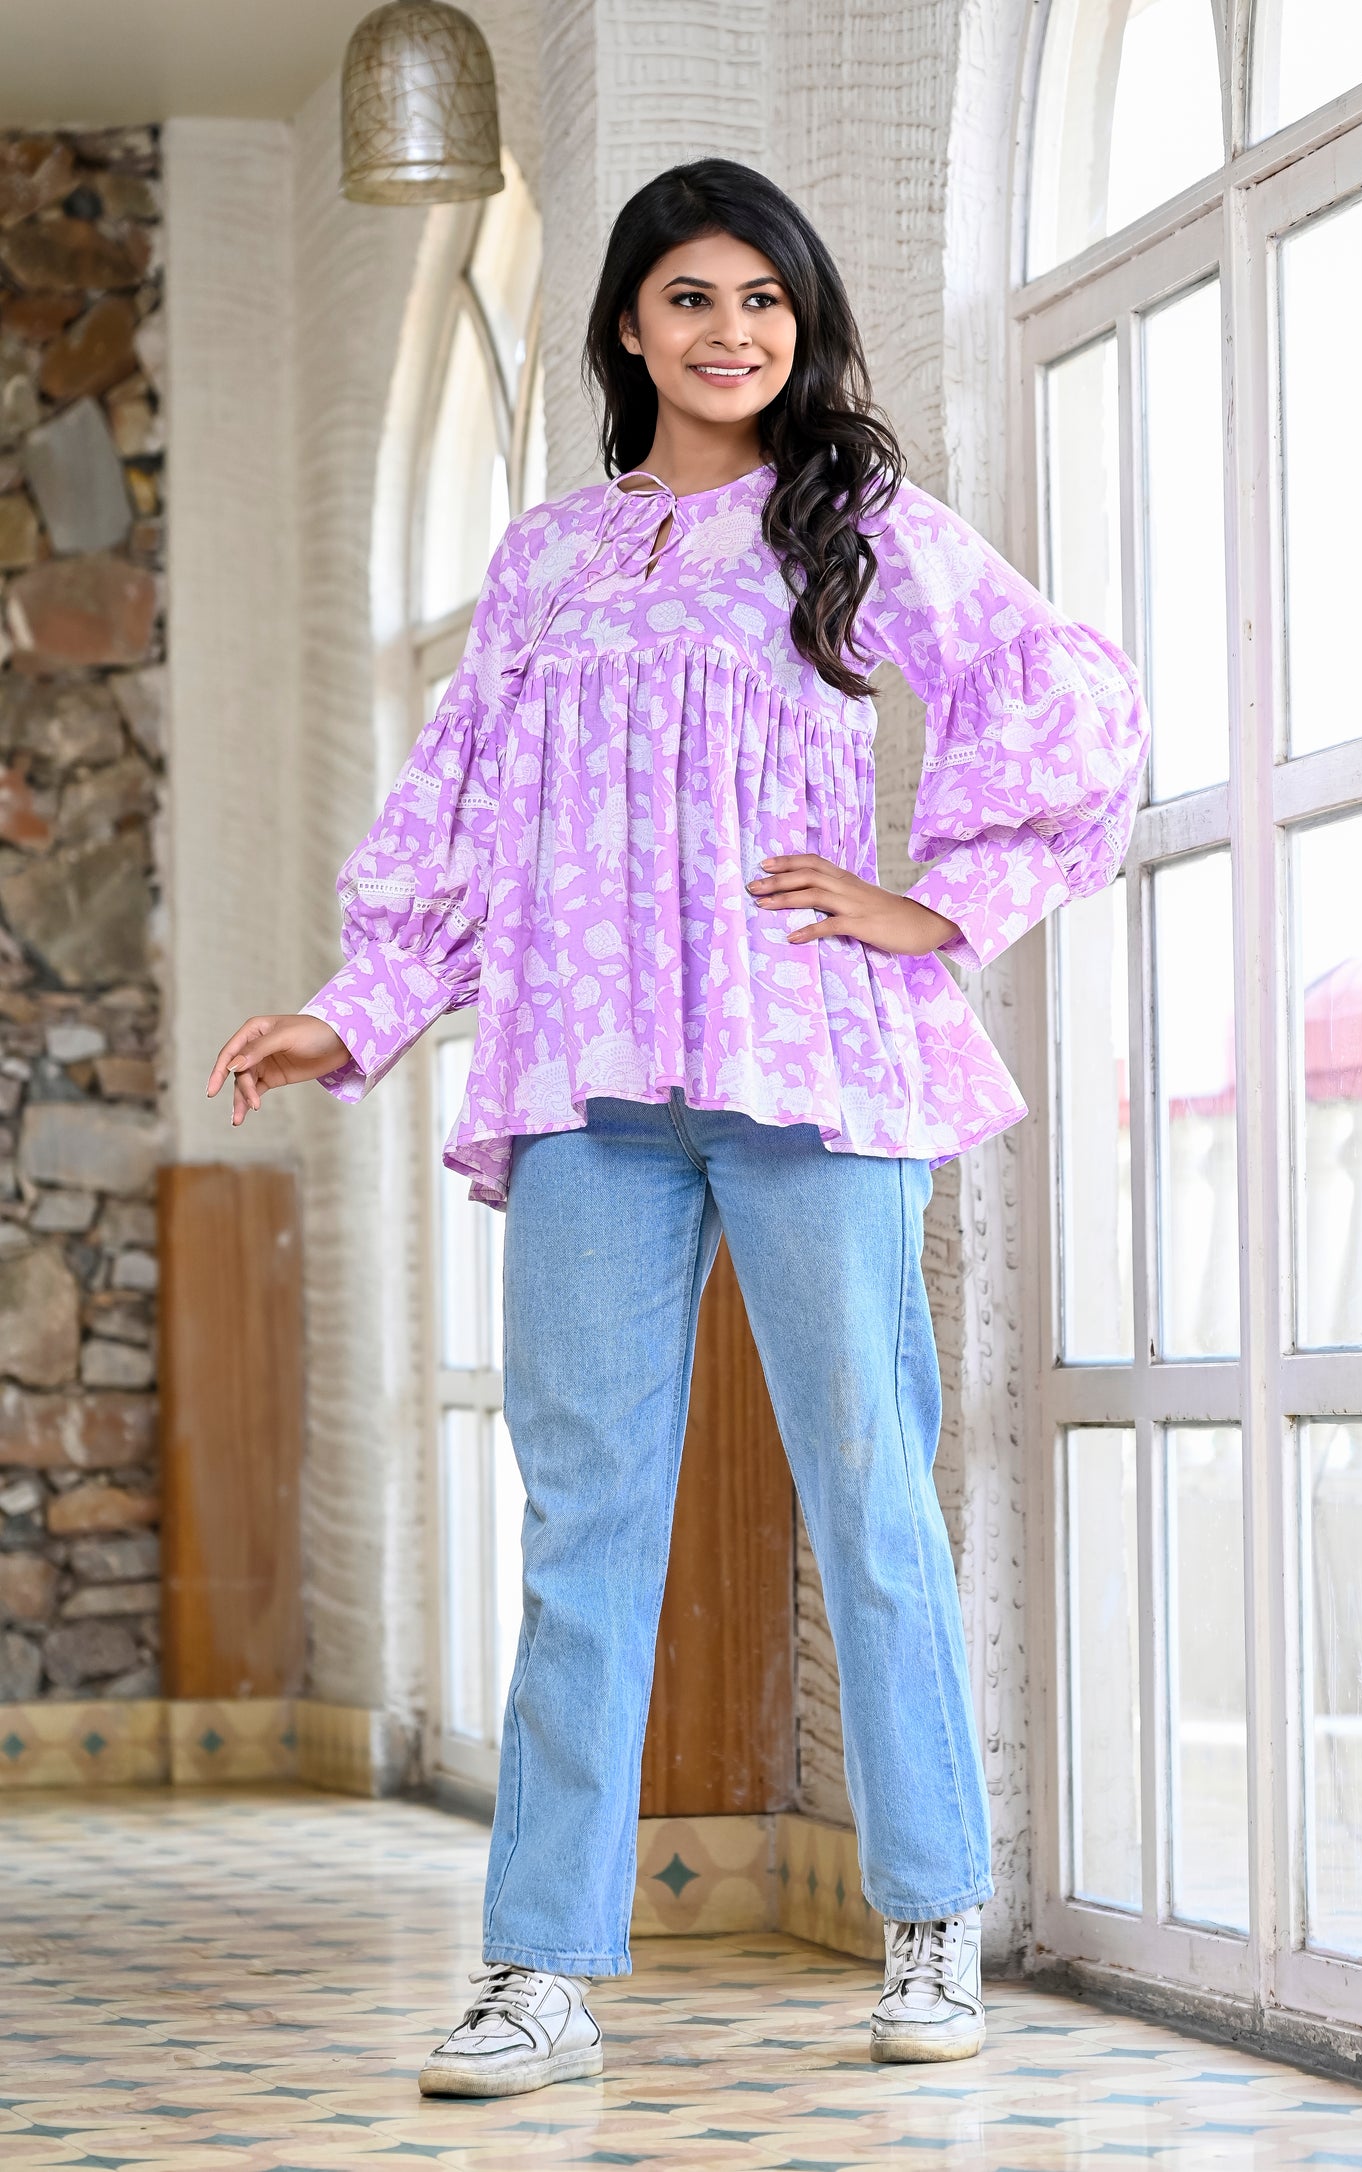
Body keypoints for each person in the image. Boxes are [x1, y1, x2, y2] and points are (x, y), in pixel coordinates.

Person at [207, 157, 1148, 2101]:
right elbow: (461, 811)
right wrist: (354, 1007)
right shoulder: (548, 558)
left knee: (867, 1490)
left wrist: (933, 904)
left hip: (811, 1066)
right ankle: (538, 1971)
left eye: (764, 300)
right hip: (587, 1084)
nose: (733, 332)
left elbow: (1058, 695)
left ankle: (928, 1919)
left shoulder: (853, 520)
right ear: (629, 326)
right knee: (582, 1527)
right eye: (694, 299)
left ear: (799, 325)